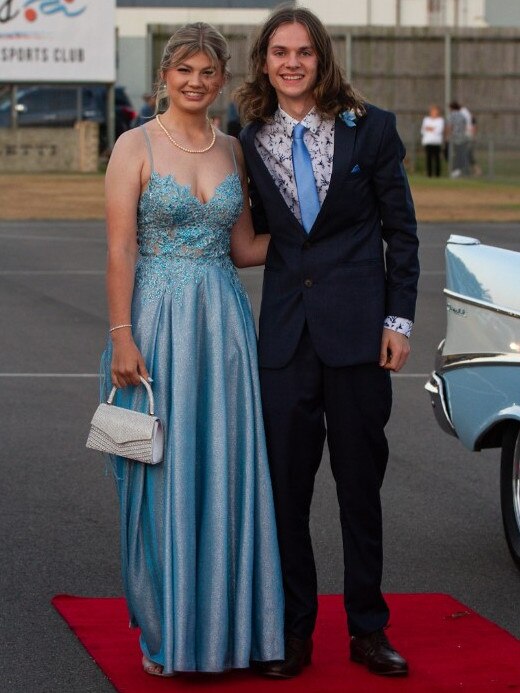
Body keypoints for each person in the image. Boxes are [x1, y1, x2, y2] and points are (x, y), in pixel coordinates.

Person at [236, 6, 419, 679]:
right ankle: (294, 628)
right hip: (285, 339)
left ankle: (368, 629)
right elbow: (248, 230)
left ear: (323, 58)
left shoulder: (372, 129)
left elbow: (401, 232)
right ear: (263, 60)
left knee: (359, 487)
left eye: (304, 52)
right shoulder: (245, 136)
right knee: (285, 491)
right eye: (279, 51)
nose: (291, 62)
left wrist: (398, 323)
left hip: (360, 338)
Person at [100, 22, 284, 677]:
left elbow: (244, 248)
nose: (196, 82)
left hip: (225, 328)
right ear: (165, 75)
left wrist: (325, 236)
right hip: (154, 322)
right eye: (185, 70)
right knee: (159, 475)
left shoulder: (234, 149)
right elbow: (121, 246)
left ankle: (229, 631)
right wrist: (122, 334)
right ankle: (169, 631)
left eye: (208, 72)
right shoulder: (134, 144)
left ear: (221, 77)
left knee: (225, 470)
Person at [446, 101, 469, 177]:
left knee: (452, 154)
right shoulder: (462, 115)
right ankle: (461, 170)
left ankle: (455, 170)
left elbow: (450, 126)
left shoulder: (451, 115)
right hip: (462, 138)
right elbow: (465, 126)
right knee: (460, 154)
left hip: (454, 138)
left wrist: (447, 136)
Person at [421, 104, 444, 177]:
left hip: (436, 142)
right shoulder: (426, 119)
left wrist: (429, 128)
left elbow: (439, 130)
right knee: (429, 158)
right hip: (428, 141)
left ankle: (437, 174)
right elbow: (423, 130)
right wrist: (432, 128)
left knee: (437, 158)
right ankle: (429, 174)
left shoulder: (440, 120)